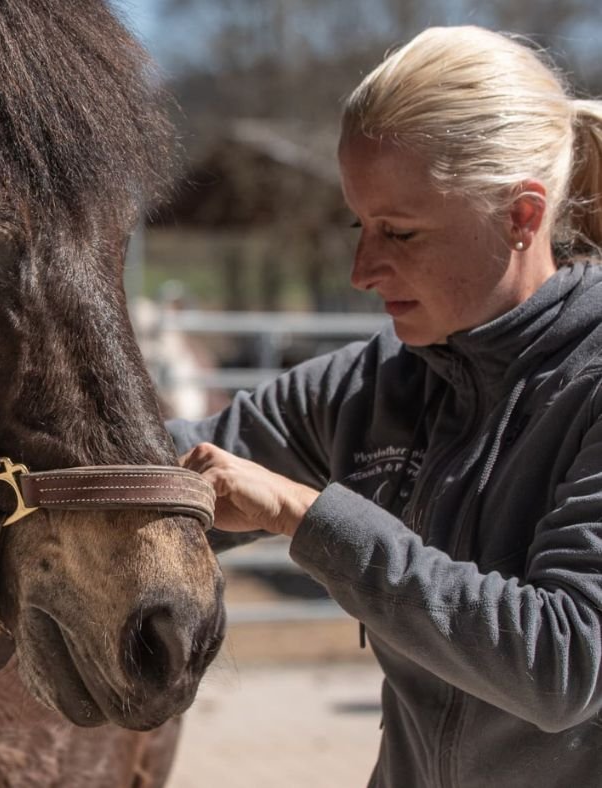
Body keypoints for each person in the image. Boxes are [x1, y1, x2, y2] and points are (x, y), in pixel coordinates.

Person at [170, 26, 602, 788]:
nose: (363, 269)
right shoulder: (374, 385)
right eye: (358, 225)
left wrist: (306, 518)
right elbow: (159, 463)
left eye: (399, 232)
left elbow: (560, 664)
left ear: (521, 217)